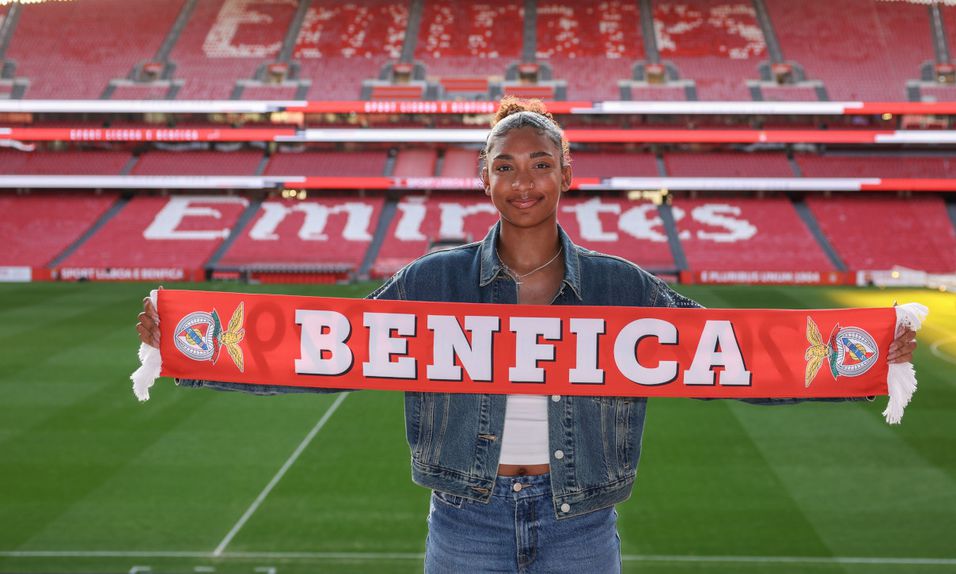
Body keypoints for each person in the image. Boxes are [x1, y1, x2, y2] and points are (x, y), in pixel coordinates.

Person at [137, 97, 918, 573]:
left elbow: (738, 358)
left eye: (540, 163)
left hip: (581, 521)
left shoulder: (620, 287)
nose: (523, 180)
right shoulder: (431, 283)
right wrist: (189, 347)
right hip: (464, 516)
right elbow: (319, 350)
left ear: (565, 175)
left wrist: (869, 358)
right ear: (484, 179)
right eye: (505, 165)